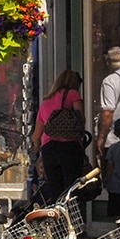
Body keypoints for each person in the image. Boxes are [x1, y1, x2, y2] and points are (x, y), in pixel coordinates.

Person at [35, 69, 89, 205]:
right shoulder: (73, 94)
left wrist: (37, 147)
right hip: (69, 147)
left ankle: (58, 223)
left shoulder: (46, 101)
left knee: (55, 190)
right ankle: (71, 220)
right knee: (71, 189)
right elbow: (80, 119)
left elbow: (36, 134)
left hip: (49, 149)